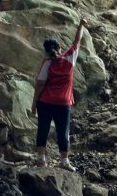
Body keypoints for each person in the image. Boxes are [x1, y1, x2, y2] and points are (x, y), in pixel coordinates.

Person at [31, 18, 87, 171]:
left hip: (45, 102)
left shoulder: (47, 63)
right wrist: (81, 24)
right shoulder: (69, 59)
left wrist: (34, 104)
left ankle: (41, 160)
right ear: (60, 48)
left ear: (46, 51)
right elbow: (77, 40)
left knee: (43, 129)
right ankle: (64, 161)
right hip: (63, 103)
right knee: (63, 131)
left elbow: (39, 84)